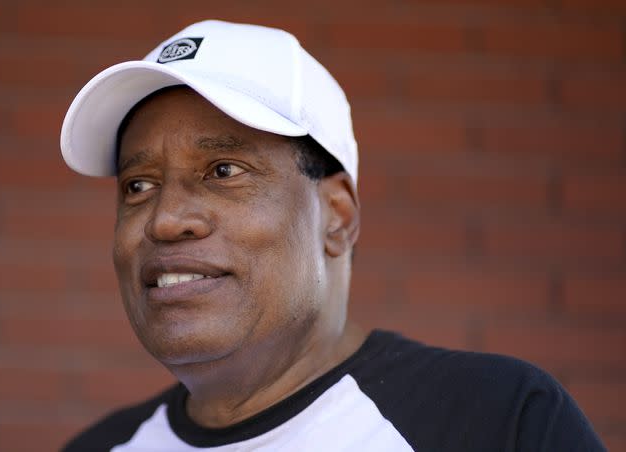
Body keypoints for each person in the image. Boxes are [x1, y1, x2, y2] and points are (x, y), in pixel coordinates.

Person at [58, 20, 604, 451]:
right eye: (139, 184)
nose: (164, 219)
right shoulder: (99, 448)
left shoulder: (497, 422)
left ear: (336, 216)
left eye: (223, 170)